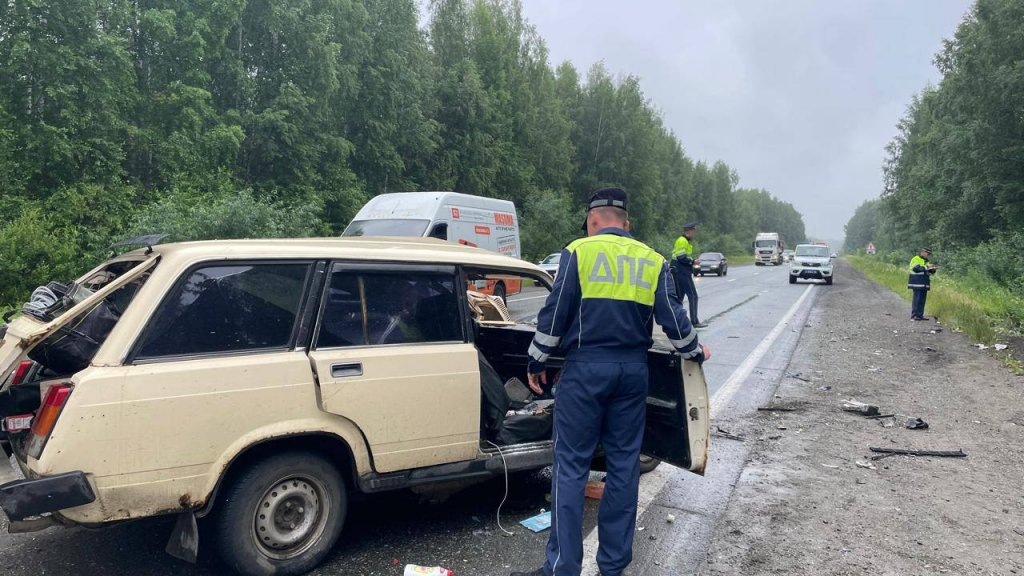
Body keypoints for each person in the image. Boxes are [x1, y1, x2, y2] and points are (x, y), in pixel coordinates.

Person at [511, 187, 710, 576]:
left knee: (571, 467)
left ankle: (563, 567)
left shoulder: (579, 252)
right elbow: (674, 318)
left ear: (592, 220)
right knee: (623, 467)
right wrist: (695, 350)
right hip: (632, 374)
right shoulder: (652, 259)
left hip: (585, 372)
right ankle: (613, 566)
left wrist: (536, 359)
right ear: (626, 223)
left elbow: (554, 314)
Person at [670, 221, 707, 327]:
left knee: (679, 298)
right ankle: (694, 321)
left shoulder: (684, 241)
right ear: (689, 231)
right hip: (682, 272)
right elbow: (681, 257)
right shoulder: (682, 241)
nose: (694, 234)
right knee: (693, 296)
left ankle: (676, 321)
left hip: (678, 271)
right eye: (694, 231)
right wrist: (693, 261)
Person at [907, 247, 937, 320]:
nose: (928, 255)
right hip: (917, 282)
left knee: (922, 300)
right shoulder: (916, 259)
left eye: (929, 254)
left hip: (924, 283)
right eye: (927, 253)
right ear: (922, 252)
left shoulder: (926, 261)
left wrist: (933, 269)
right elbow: (916, 269)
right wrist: (927, 267)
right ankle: (914, 315)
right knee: (917, 300)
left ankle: (920, 315)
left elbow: (927, 271)